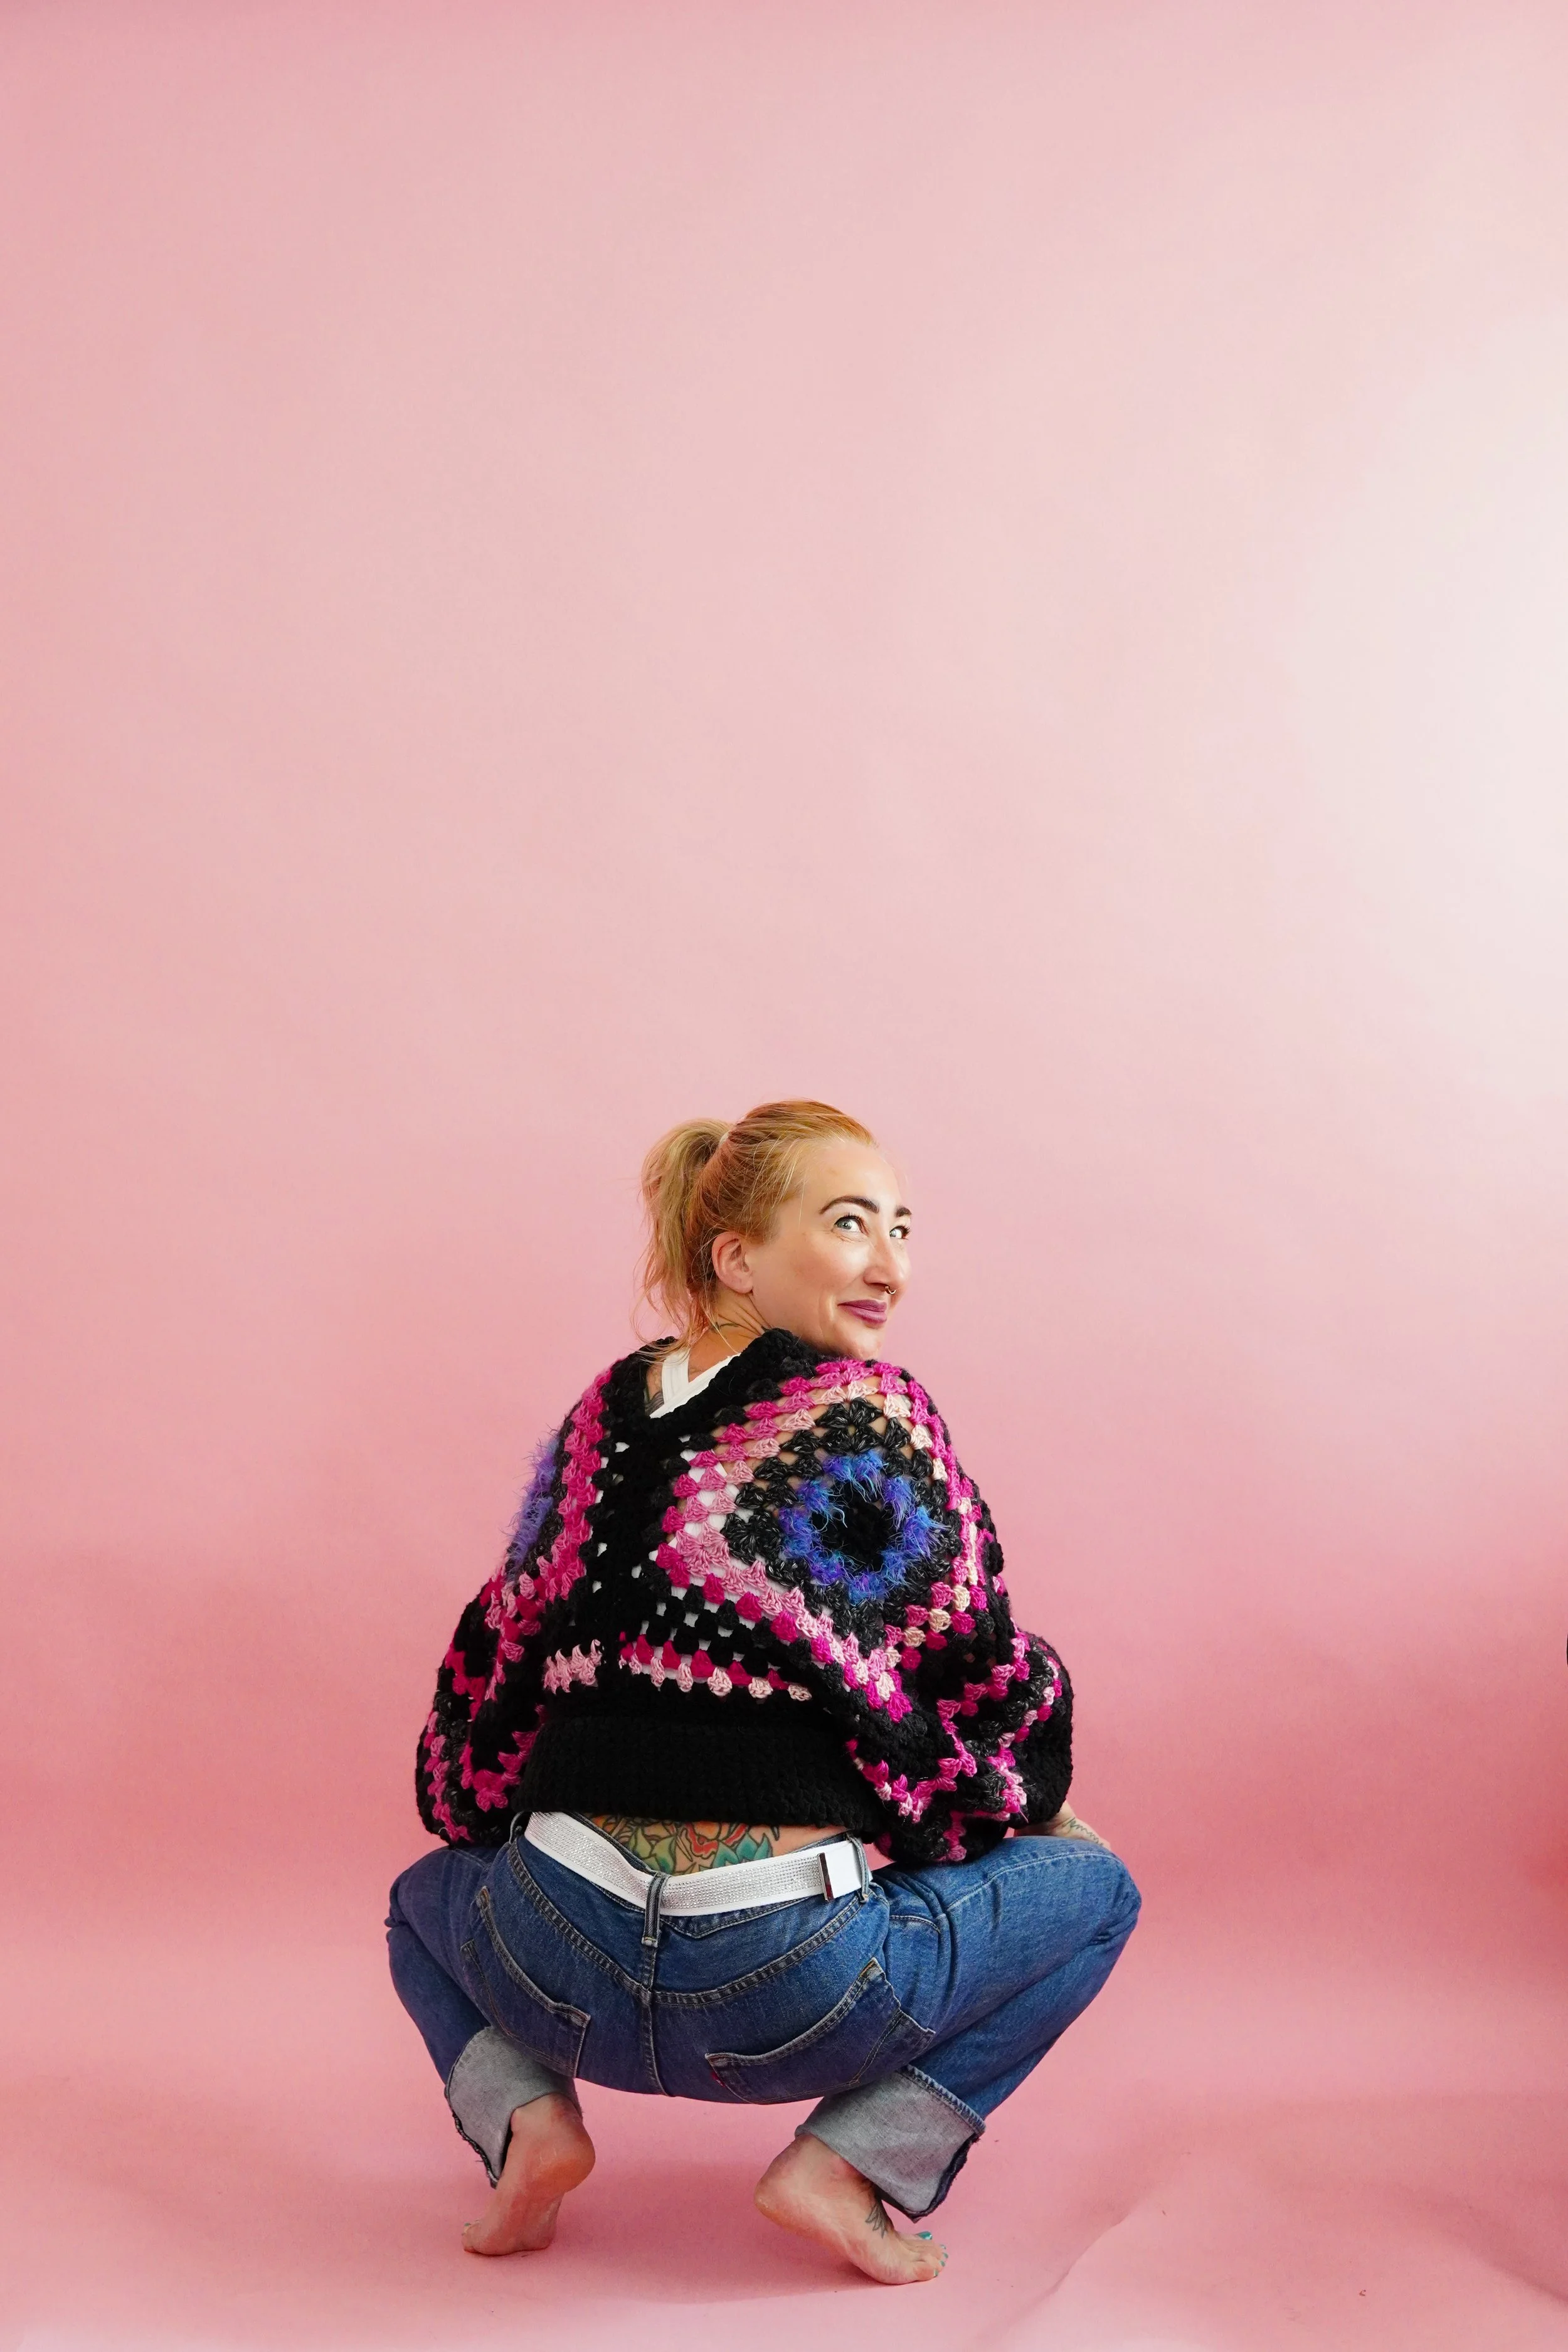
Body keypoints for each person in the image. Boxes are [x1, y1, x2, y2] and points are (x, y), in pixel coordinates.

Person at [387, 1101, 1140, 2286]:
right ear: (736, 1256)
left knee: (420, 1899)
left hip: (553, 1964)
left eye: (901, 1227)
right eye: (849, 1223)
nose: (889, 1263)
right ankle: (848, 2162)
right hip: (784, 1991)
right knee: (1096, 1892)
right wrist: (1019, 1801)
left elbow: (500, 1661)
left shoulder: (601, 1418)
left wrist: (499, 1818)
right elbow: (973, 1668)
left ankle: (526, 2121)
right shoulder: (866, 1413)